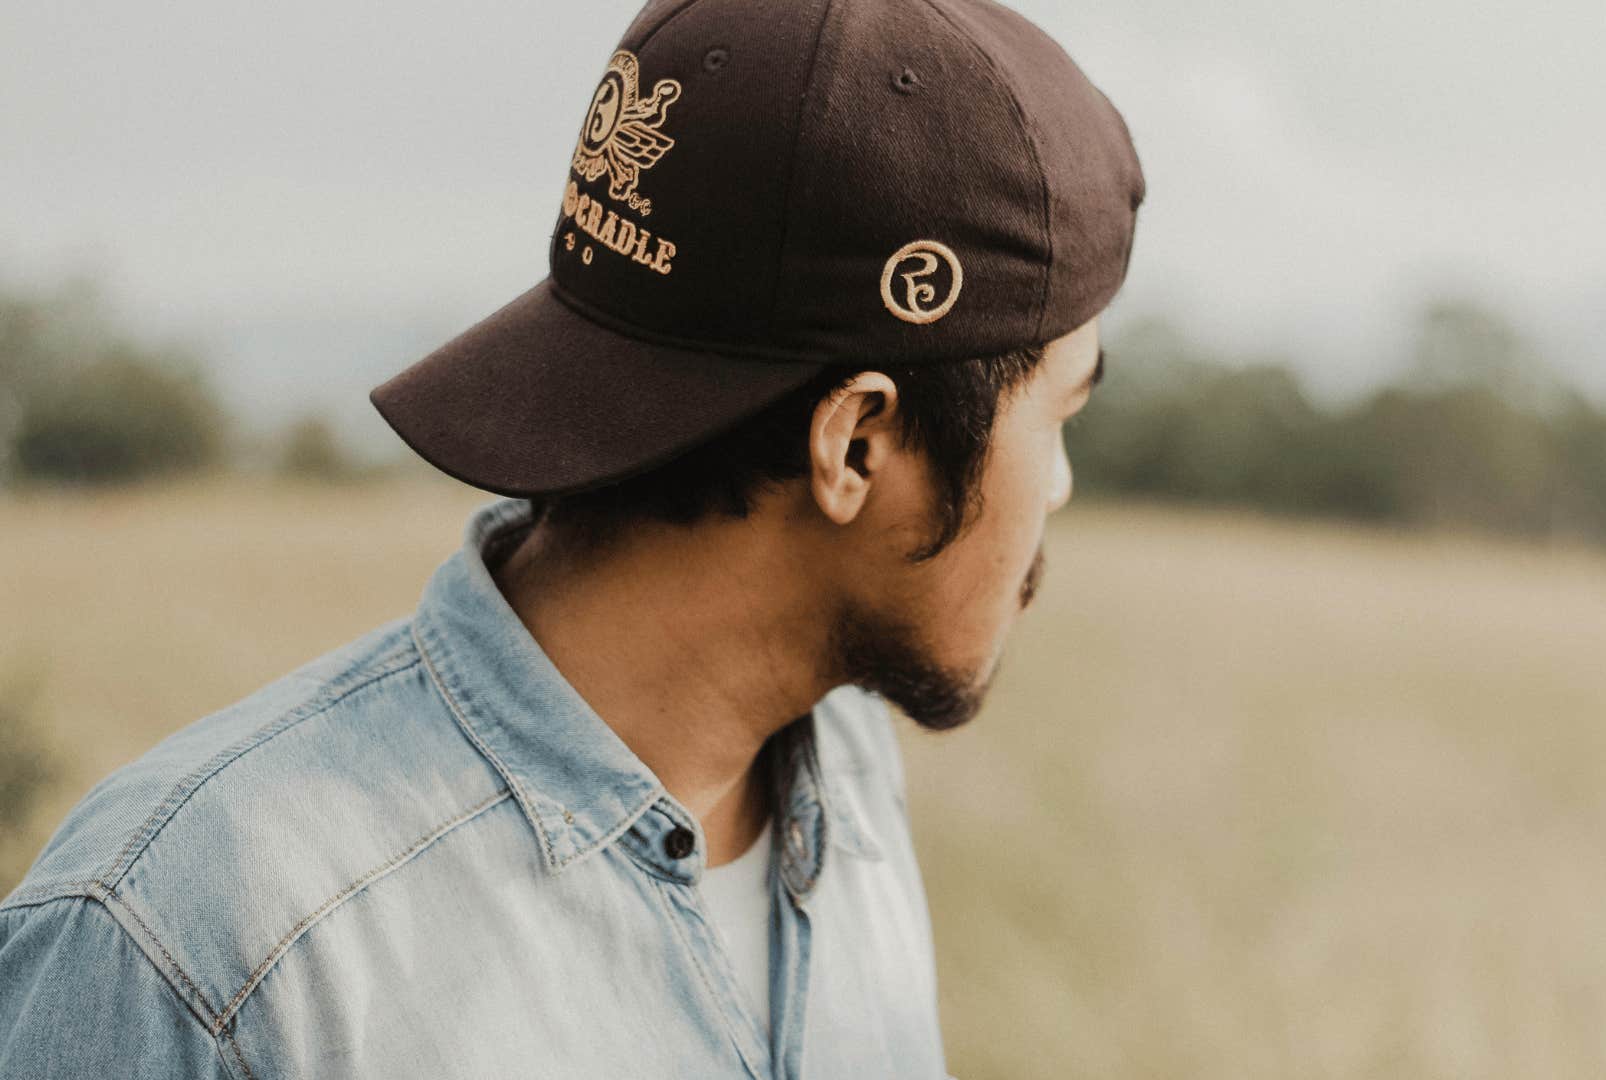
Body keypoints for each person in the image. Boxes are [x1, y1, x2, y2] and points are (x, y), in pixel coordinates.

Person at [0, 0, 1143, 1074]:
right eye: (1060, 415)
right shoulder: (195, 952)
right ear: (854, 447)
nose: (1059, 487)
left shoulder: (842, 775)